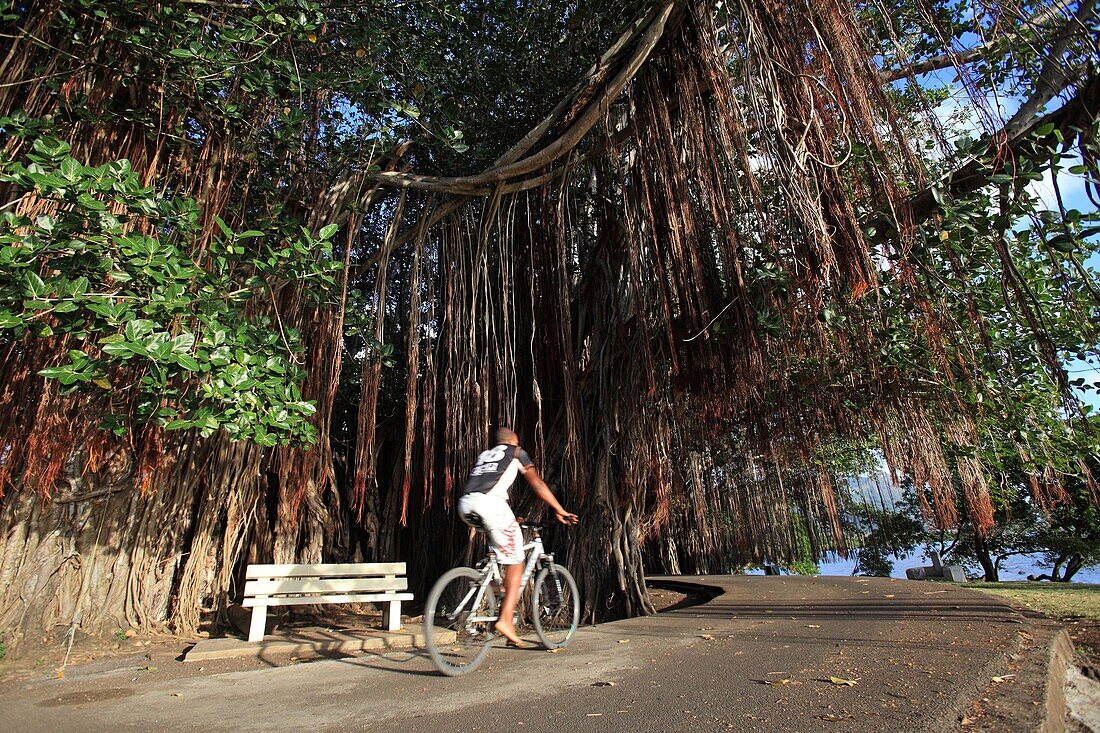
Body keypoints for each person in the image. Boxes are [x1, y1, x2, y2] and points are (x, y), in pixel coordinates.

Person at [457, 426, 578, 647]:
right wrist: (559, 510)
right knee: (517, 561)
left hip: (466, 504)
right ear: (513, 441)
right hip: (491, 505)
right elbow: (538, 484)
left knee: (501, 542)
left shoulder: (485, 455)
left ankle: (493, 585)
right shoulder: (515, 452)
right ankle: (505, 620)